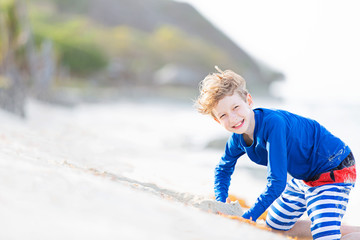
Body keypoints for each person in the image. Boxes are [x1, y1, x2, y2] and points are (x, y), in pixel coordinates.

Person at [195, 66, 359, 240]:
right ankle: (335, 226)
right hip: (306, 177)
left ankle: (333, 229)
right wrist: (222, 200)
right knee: (275, 224)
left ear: (248, 101)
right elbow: (223, 168)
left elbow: (277, 183)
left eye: (236, 107)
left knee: (325, 235)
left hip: (334, 167)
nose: (233, 118)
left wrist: (248, 217)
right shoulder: (237, 140)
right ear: (216, 119)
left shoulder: (273, 124)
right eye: (223, 115)